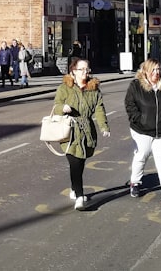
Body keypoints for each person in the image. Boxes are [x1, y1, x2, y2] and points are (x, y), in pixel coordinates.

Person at [52, 59, 110, 211]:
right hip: (69, 131)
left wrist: (104, 126)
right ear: (73, 71)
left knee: (81, 162)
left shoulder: (94, 89)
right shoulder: (65, 88)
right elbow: (56, 105)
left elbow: (99, 109)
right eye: (81, 69)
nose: (85, 72)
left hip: (86, 132)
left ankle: (74, 188)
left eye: (87, 69)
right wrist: (62, 107)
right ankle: (79, 196)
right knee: (74, 163)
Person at [125, 59, 161, 207]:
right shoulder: (136, 86)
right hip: (142, 130)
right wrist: (140, 119)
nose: (156, 73)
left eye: (158, 69)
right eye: (153, 70)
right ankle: (135, 183)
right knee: (141, 156)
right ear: (145, 71)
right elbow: (130, 105)